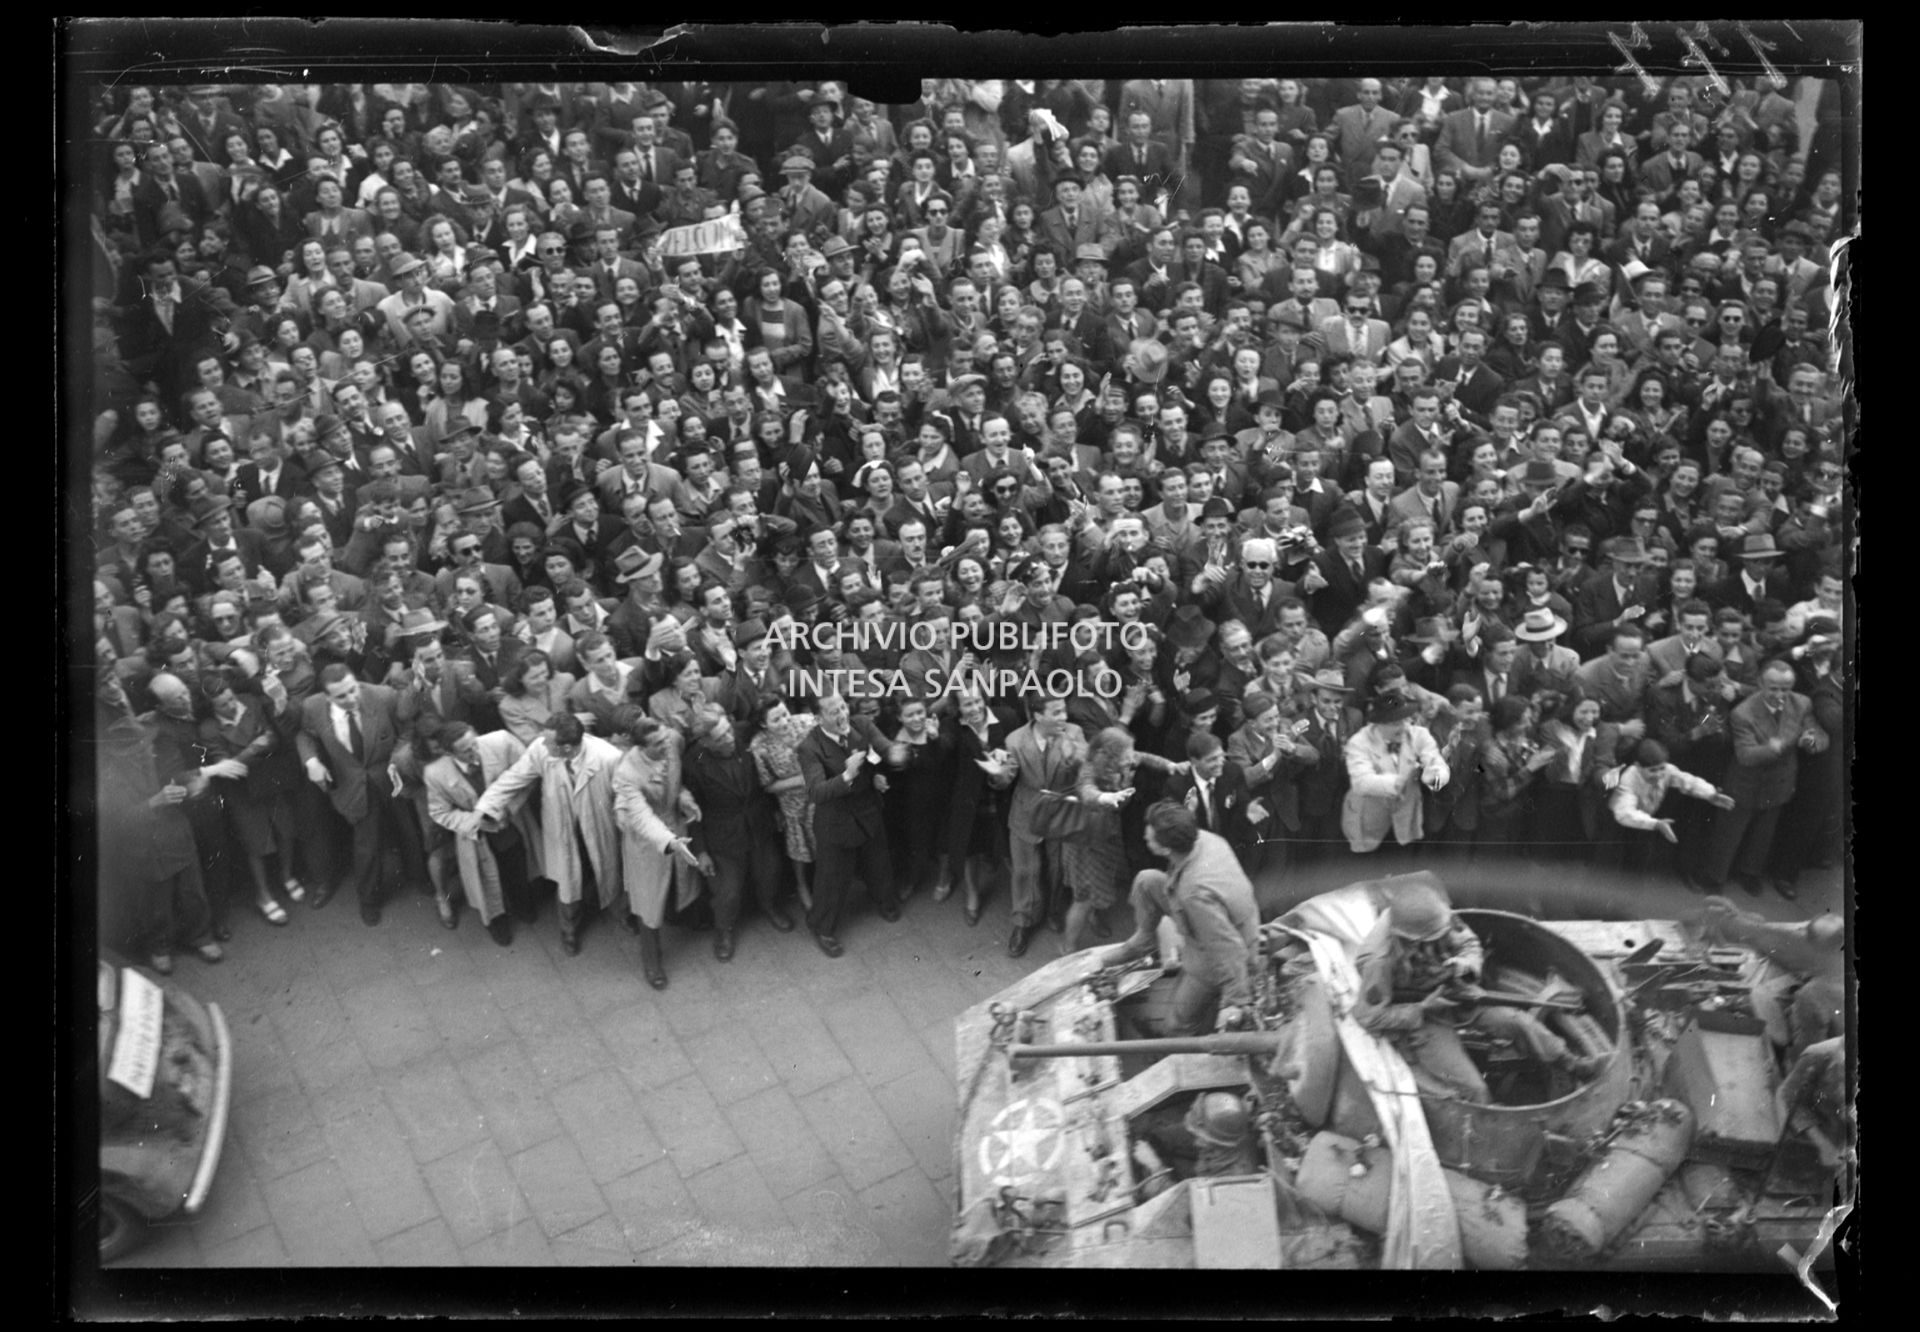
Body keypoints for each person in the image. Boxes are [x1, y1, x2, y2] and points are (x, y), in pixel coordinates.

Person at [1352, 873, 1608, 1102]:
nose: (1446, 935)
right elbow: (1368, 1016)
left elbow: (1469, 942)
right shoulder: (1380, 961)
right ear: (1412, 939)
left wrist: (1466, 965)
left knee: (1521, 1024)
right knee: (1474, 1089)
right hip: (1423, 1022)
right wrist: (1422, 1009)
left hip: (1456, 995)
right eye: (1436, 938)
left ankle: (1575, 1065)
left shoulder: (1435, 916)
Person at [1099, 799, 1260, 1037]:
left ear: (1166, 849)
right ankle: (1144, 941)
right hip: (1211, 917)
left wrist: (1237, 1000)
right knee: (1146, 880)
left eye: (1150, 836)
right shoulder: (1205, 839)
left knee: (1176, 1024)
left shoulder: (1193, 893)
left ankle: (1181, 1048)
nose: (1145, 835)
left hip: (1216, 949)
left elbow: (1225, 945)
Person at [472, 712, 626, 957]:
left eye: (548, 742)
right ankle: (569, 931)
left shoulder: (608, 758)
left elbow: (623, 796)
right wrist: (485, 807)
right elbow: (514, 778)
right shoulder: (541, 750)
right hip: (561, 827)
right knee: (568, 882)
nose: (542, 744)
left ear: (566, 747)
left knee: (608, 870)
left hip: (598, 826)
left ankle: (621, 915)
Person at [295, 663, 429, 925]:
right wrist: (311, 761)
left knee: (408, 833)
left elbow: (407, 731)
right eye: (341, 696)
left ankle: (420, 878)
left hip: (390, 778)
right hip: (352, 785)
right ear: (327, 696)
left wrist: (397, 759)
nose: (351, 698)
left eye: (353, 690)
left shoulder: (383, 696)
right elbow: (304, 735)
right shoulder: (312, 707)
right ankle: (369, 900)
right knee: (366, 846)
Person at [793, 690, 901, 957]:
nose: (842, 715)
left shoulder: (861, 724)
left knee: (879, 862)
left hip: (867, 808)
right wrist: (848, 774)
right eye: (833, 712)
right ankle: (822, 928)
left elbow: (882, 747)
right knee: (832, 879)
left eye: (842, 707)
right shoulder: (809, 747)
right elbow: (816, 791)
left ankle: (885, 903)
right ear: (818, 718)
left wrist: (894, 755)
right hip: (835, 820)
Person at [611, 716, 705, 987]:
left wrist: (685, 798)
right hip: (648, 841)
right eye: (657, 743)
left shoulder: (672, 740)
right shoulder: (627, 772)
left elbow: (679, 781)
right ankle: (651, 961)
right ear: (640, 747)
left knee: (682, 881)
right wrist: (670, 841)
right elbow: (641, 817)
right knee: (648, 901)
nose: (666, 745)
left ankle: (682, 917)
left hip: (676, 822)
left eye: (665, 738)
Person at [1004, 691, 1089, 958]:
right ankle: (1023, 922)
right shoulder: (1015, 740)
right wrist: (997, 777)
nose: (1064, 717)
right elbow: (1006, 779)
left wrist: (1072, 757)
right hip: (1026, 810)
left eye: (1064, 711)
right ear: (1038, 715)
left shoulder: (1073, 733)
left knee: (1056, 867)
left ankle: (1052, 911)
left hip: (1061, 810)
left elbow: (1085, 767)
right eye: (1056, 713)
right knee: (1025, 869)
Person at [1342, 692, 1449, 855]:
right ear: (1379, 723)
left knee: (1402, 870)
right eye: (1396, 722)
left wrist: (1434, 776)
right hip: (1369, 819)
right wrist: (1400, 781)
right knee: (1368, 872)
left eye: (1405, 719)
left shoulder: (1418, 734)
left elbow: (1437, 762)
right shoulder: (1358, 742)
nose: (1404, 727)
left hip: (1405, 818)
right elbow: (1361, 782)